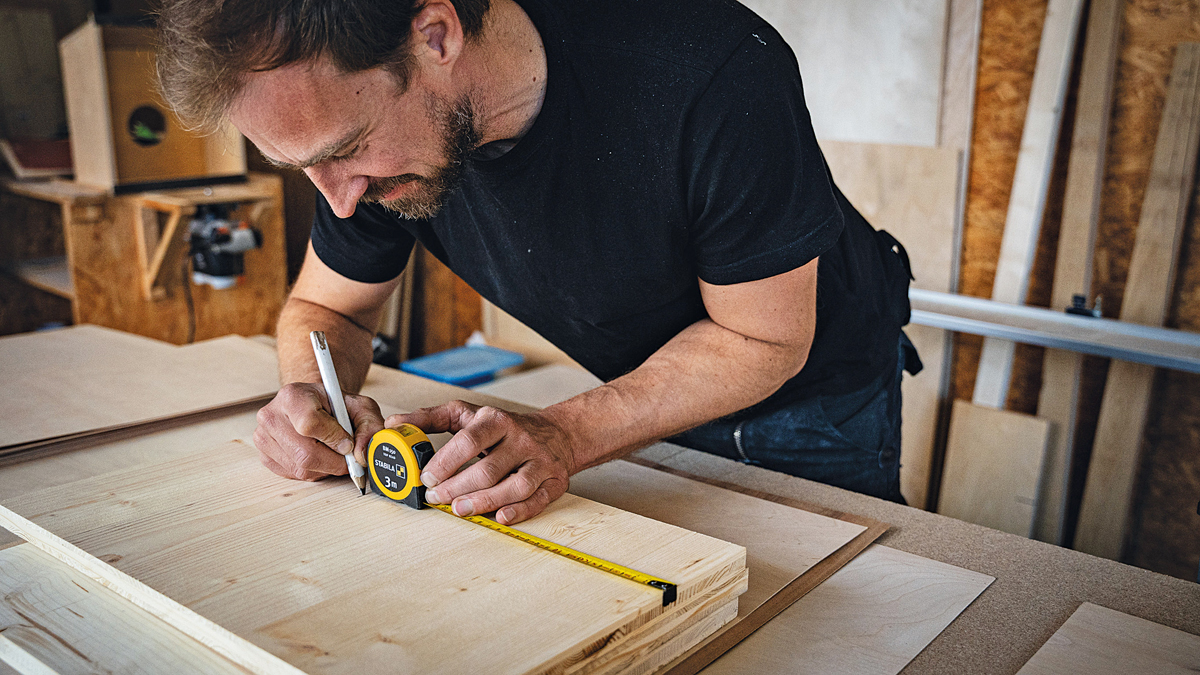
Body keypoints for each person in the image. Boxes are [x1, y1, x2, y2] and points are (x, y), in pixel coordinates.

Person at [157, 0, 920, 524]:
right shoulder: (362, 143)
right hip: (645, 390)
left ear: (435, 34)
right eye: (308, 168)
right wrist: (308, 395)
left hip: (816, 397)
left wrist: (565, 434)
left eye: (346, 150)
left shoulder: (713, 73)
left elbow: (764, 340)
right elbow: (327, 312)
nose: (343, 201)